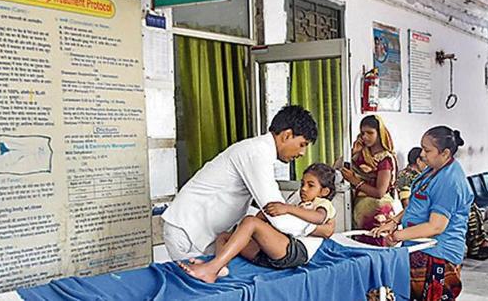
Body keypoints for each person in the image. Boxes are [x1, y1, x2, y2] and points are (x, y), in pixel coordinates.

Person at [161, 105, 333, 261]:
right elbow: (275, 211)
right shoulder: (256, 154)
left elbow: (263, 210)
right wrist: (317, 229)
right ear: (286, 135)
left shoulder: (258, 152)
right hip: (187, 231)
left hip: (201, 232)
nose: (302, 153)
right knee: (199, 289)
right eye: (302, 144)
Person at [178, 163, 338, 283]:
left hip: (295, 251)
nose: (303, 188)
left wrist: (287, 209)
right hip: (272, 251)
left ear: (324, 191)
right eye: (302, 183)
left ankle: (210, 269)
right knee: (224, 237)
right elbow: (276, 216)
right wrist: (249, 231)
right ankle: (220, 267)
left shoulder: (322, 203)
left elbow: (318, 218)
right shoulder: (298, 198)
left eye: (310, 185)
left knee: (251, 222)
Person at [372, 126, 473, 301]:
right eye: (422, 148)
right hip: (418, 247)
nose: (422, 155)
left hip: (437, 253)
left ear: (445, 153)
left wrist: (398, 236)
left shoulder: (449, 181)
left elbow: (436, 226)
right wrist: (394, 221)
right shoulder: (432, 170)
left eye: (427, 150)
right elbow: (417, 205)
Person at [341, 115, 398, 246]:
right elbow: (336, 168)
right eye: (362, 133)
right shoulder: (361, 155)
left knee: (377, 250)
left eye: (370, 133)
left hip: (378, 213)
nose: (365, 137)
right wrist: (352, 153)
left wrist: (355, 181)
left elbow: (379, 192)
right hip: (361, 212)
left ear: (380, 134)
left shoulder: (385, 159)